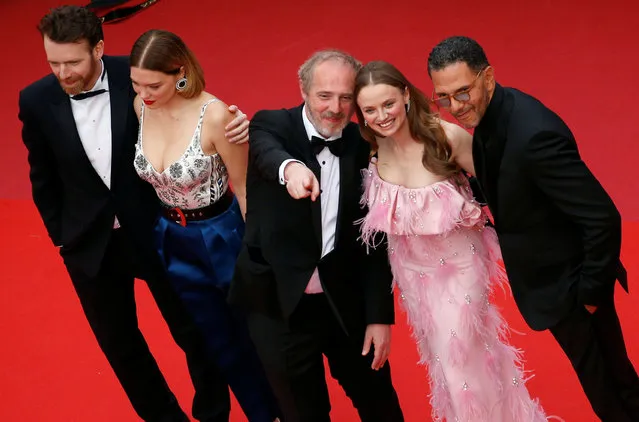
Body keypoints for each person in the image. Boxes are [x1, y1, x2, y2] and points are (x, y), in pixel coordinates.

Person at [18, 6, 250, 421]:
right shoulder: (35, 100)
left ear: (99, 49)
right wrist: (61, 236)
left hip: (156, 230)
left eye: (72, 62)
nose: (63, 73)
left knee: (193, 331)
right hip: (89, 243)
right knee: (121, 346)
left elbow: (194, 108)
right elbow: (42, 176)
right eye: (53, 62)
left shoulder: (138, 77)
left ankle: (213, 414)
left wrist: (239, 124)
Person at [427, 35, 639, 421]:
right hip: (557, 281)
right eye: (444, 97)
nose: (455, 107)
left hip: (571, 287)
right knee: (614, 378)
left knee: (607, 387)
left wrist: (589, 294)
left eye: (463, 92)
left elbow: (601, 216)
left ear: (487, 77)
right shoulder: (495, 115)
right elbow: (511, 180)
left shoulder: (533, 134)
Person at [354, 60, 549, 422]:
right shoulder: (371, 150)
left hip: (461, 265)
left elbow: (501, 189)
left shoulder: (445, 137)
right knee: (449, 364)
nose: (382, 115)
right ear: (361, 115)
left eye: (388, 104)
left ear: (406, 97)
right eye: (370, 109)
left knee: (459, 356)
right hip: (412, 274)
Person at [228, 50, 404, 422]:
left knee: (381, 406)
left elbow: (373, 241)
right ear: (304, 90)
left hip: (345, 302)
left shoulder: (363, 144)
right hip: (278, 304)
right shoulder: (271, 125)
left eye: (345, 97)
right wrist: (291, 170)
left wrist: (378, 316)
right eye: (325, 95)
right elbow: (266, 151)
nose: (335, 108)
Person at [130, 29, 280, 422]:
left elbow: (245, 188)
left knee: (253, 337)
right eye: (136, 83)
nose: (145, 92)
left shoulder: (215, 115)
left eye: (154, 84)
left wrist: (259, 254)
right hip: (171, 239)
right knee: (218, 342)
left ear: (179, 72)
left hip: (221, 235)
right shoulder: (140, 107)